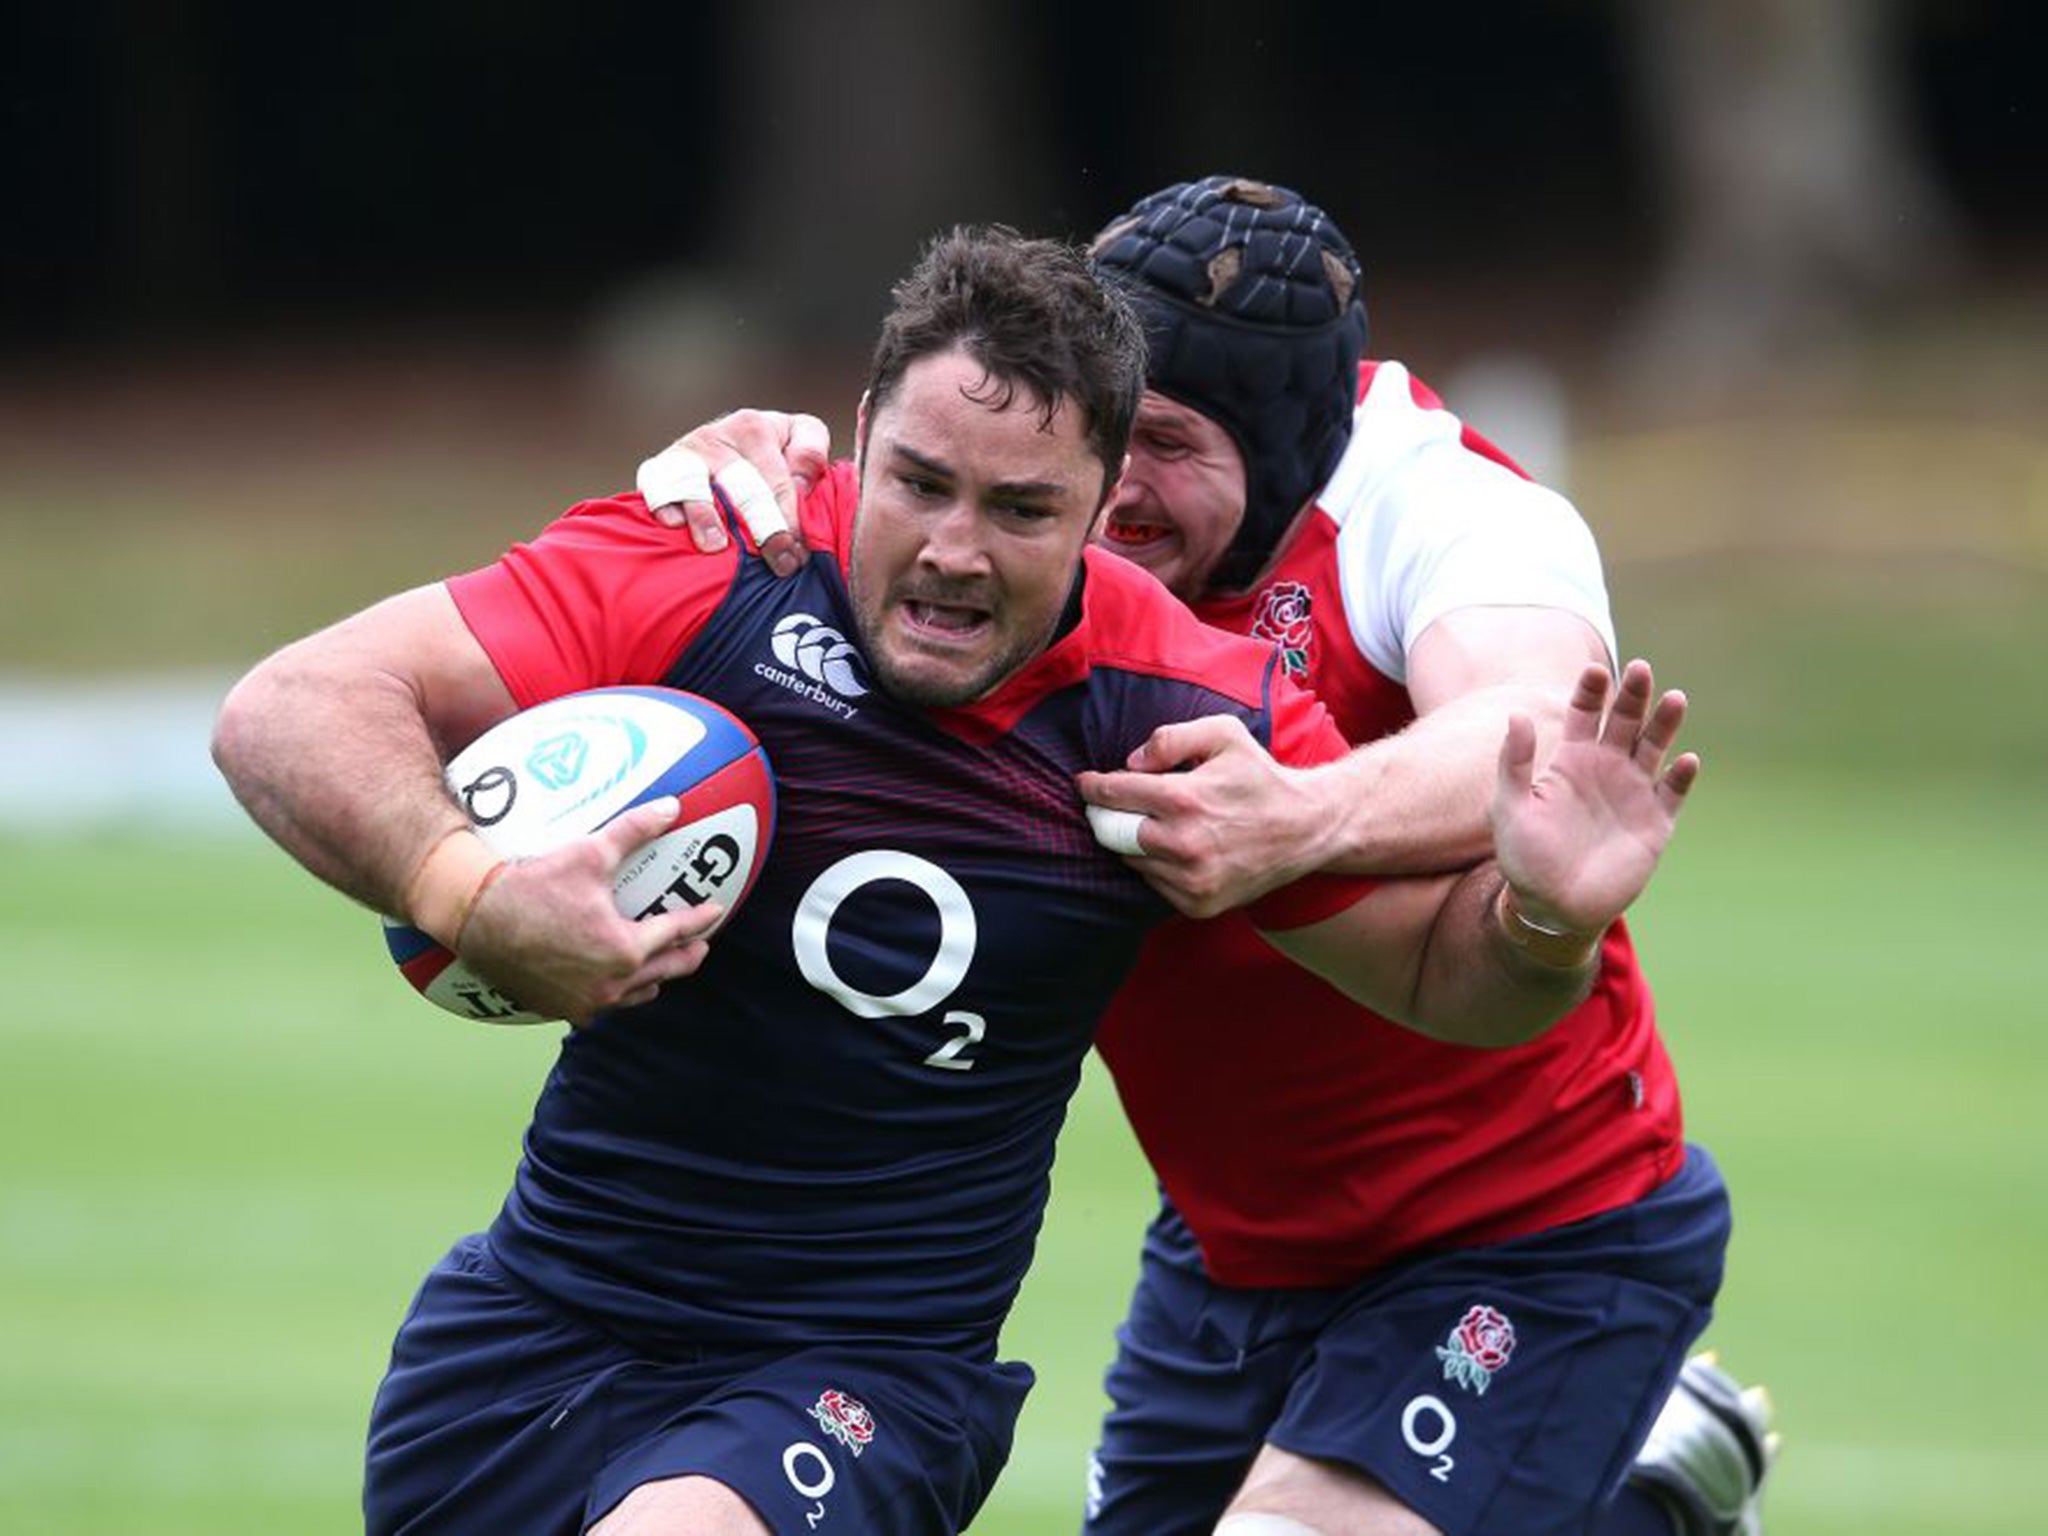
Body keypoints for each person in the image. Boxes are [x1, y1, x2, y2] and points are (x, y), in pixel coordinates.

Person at [212, 223, 1701, 1536]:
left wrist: (1549, 909)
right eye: (920, 483)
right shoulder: (717, 560)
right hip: (540, 1325)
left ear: (1099, 496)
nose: (953, 553)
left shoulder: (1174, 712)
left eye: (1023, 510)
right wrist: (467, 886)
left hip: (864, 1381)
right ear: (857, 433)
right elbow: (289, 708)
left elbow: (1450, 975)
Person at [633, 179, 1773, 1536]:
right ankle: (1635, 1494)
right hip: (1233, 1248)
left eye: (1164, 443)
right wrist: (743, 480)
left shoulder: (1440, 506)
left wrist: (1306, 818)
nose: (1113, 487)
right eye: (1102, 438)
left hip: (1531, 1226)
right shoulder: (1030, 535)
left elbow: (1533, 724)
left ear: (1294, 446)